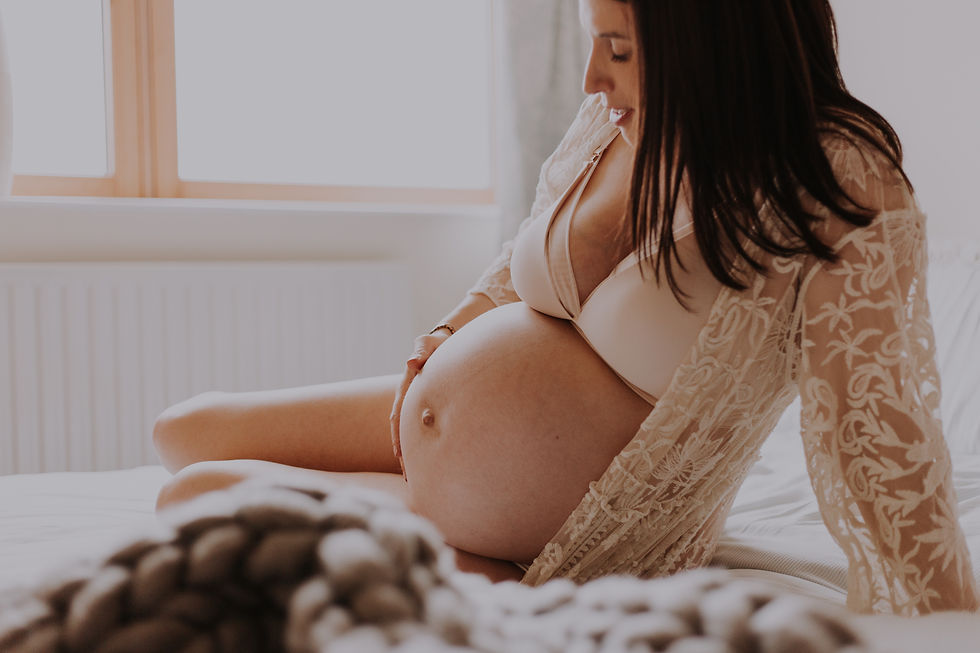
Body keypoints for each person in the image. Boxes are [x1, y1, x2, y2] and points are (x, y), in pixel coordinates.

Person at [153, 0, 979, 615]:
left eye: (617, 47)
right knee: (181, 428)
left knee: (193, 496)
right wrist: (445, 337)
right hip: (443, 437)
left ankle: (505, 590)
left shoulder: (833, 178)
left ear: (708, 39)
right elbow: (520, 267)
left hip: (563, 534)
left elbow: (876, 428)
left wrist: (944, 618)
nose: (592, 77)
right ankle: (458, 552)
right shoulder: (617, 121)